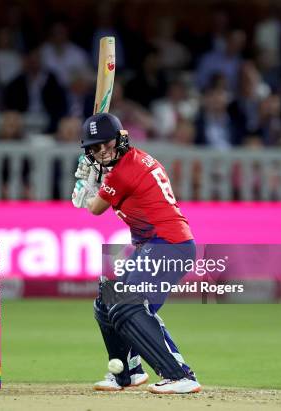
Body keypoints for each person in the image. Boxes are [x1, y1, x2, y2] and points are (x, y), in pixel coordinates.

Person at [71, 113, 201, 394]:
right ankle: (127, 372)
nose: (102, 152)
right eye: (95, 148)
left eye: (106, 144)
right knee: (107, 301)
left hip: (169, 245)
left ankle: (180, 375)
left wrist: (86, 186)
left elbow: (94, 208)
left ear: (120, 139)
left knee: (129, 306)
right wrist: (96, 181)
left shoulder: (124, 171)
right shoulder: (129, 162)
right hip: (156, 246)